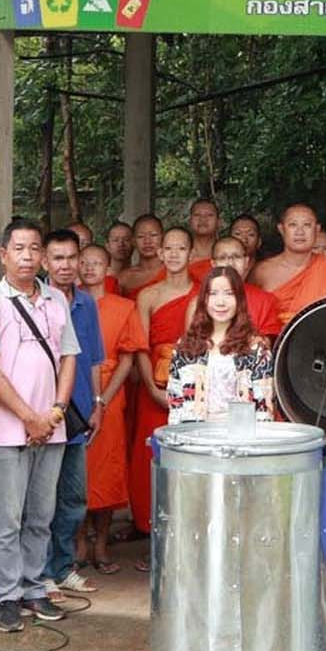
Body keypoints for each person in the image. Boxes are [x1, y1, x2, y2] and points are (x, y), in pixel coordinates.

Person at [0, 218, 81, 633]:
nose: (27, 256)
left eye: (34, 248)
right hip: (6, 430)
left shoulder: (56, 300)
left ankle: (35, 587)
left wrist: (55, 411)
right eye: (18, 248)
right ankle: (7, 596)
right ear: (3, 254)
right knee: (8, 519)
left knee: (41, 514)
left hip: (51, 427)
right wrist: (28, 418)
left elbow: (69, 358)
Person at [39, 228, 105, 598]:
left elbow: (94, 358)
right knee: (41, 500)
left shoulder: (86, 304)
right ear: (45, 262)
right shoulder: (35, 301)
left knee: (74, 497)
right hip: (42, 415)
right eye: (58, 258)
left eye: (71, 257)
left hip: (78, 415)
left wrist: (97, 403)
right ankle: (41, 574)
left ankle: (63, 568)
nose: (65, 265)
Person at [129, 226, 197, 546]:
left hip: (191, 387)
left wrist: (186, 392)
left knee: (187, 457)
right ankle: (150, 537)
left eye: (180, 248)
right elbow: (140, 346)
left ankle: (184, 538)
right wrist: (153, 389)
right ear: (159, 253)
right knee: (150, 457)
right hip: (153, 385)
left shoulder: (202, 293)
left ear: (191, 254)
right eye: (168, 248)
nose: (173, 254)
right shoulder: (148, 295)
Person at [79, 243, 143, 574]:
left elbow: (128, 358)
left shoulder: (123, 307)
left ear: (108, 269)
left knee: (107, 472)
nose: (90, 268)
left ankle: (102, 543)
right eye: (84, 262)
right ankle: (79, 542)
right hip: (76, 391)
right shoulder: (68, 304)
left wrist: (103, 398)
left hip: (110, 394)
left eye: (97, 263)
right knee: (77, 472)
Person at [167, 267, 277, 422]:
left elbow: (264, 410)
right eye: (213, 293)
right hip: (194, 433)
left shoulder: (255, 348)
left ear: (239, 300)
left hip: (240, 434)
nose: (220, 302)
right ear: (204, 299)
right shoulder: (186, 347)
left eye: (229, 294)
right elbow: (175, 403)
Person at [251, 202, 326, 322]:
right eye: (293, 224)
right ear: (281, 229)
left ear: (317, 229)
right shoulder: (262, 271)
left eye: (307, 225)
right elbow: (251, 315)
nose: (300, 232)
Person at [194, 234, 284, 336]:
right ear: (213, 264)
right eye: (222, 258)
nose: (230, 263)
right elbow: (194, 338)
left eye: (236, 257)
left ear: (246, 262)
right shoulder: (201, 299)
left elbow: (271, 337)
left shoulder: (265, 300)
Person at [116, 213, 165, 296]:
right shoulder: (124, 278)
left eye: (153, 235)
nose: (147, 241)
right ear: (133, 241)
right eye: (141, 236)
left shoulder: (174, 271)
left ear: (163, 237)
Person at [184, 199, 223, 282]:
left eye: (209, 215)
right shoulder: (180, 254)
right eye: (197, 215)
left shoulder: (226, 254)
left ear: (219, 222)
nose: (203, 219)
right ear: (190, 221)